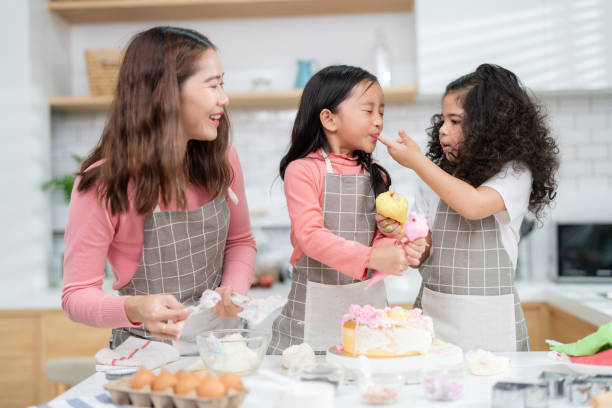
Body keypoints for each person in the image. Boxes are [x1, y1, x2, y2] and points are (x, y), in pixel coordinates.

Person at [61, 26, 256, 348]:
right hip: (144, 354)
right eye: (213, 85)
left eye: (223, 84)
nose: (224, 98)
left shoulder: (223, 159)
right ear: (165, 93)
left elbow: (240, 242)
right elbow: (76, 296)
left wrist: (233, 291)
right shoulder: (104, 184)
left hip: (225, 345)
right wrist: (135, 308)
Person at [377, 64, 559, 352]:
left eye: (455, 121)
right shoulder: (434, 178)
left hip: (491, 327)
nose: (443, 131)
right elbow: (426, 244)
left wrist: (417, 162)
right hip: (433, 320)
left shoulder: (514, 174)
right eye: (443, 120)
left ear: (490, 126)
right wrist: (415, 249)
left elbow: (473, 205)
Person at [267, 65, 417, 355]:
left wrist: (389, 235)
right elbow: (310, 236)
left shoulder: (377, 176)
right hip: (311, 316)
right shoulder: (302, 171)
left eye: (381, 113)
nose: (378, 122)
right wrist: (372, 256)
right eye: (368, 111)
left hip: (367, 313)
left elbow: (382, 235)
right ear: (329, 119)